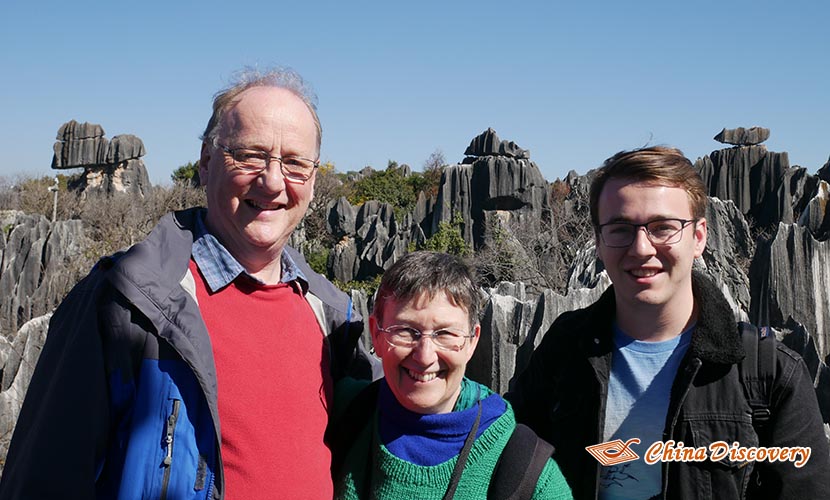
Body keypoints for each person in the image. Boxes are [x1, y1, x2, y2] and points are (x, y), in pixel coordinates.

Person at [0, 67, 378, 499]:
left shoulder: (333, 317)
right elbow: (42, 478)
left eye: (295, 163)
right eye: (251, 155)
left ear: (312, 180)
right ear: (205, 161)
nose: (273, 182)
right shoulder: (126, 303)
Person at [507, 146, 830, 499]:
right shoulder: (564, 350)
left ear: (699, 237)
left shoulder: (769, 372)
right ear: (598, 242)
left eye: (663, 227)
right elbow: (502, 449)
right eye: (619, 229)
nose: (642, 248)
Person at [332, 251, 573, 499]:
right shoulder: (343, 413)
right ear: (377, 335)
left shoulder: (526, 473)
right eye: (405, 330)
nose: (425, 357)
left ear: (472, 342)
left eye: (445, 334)